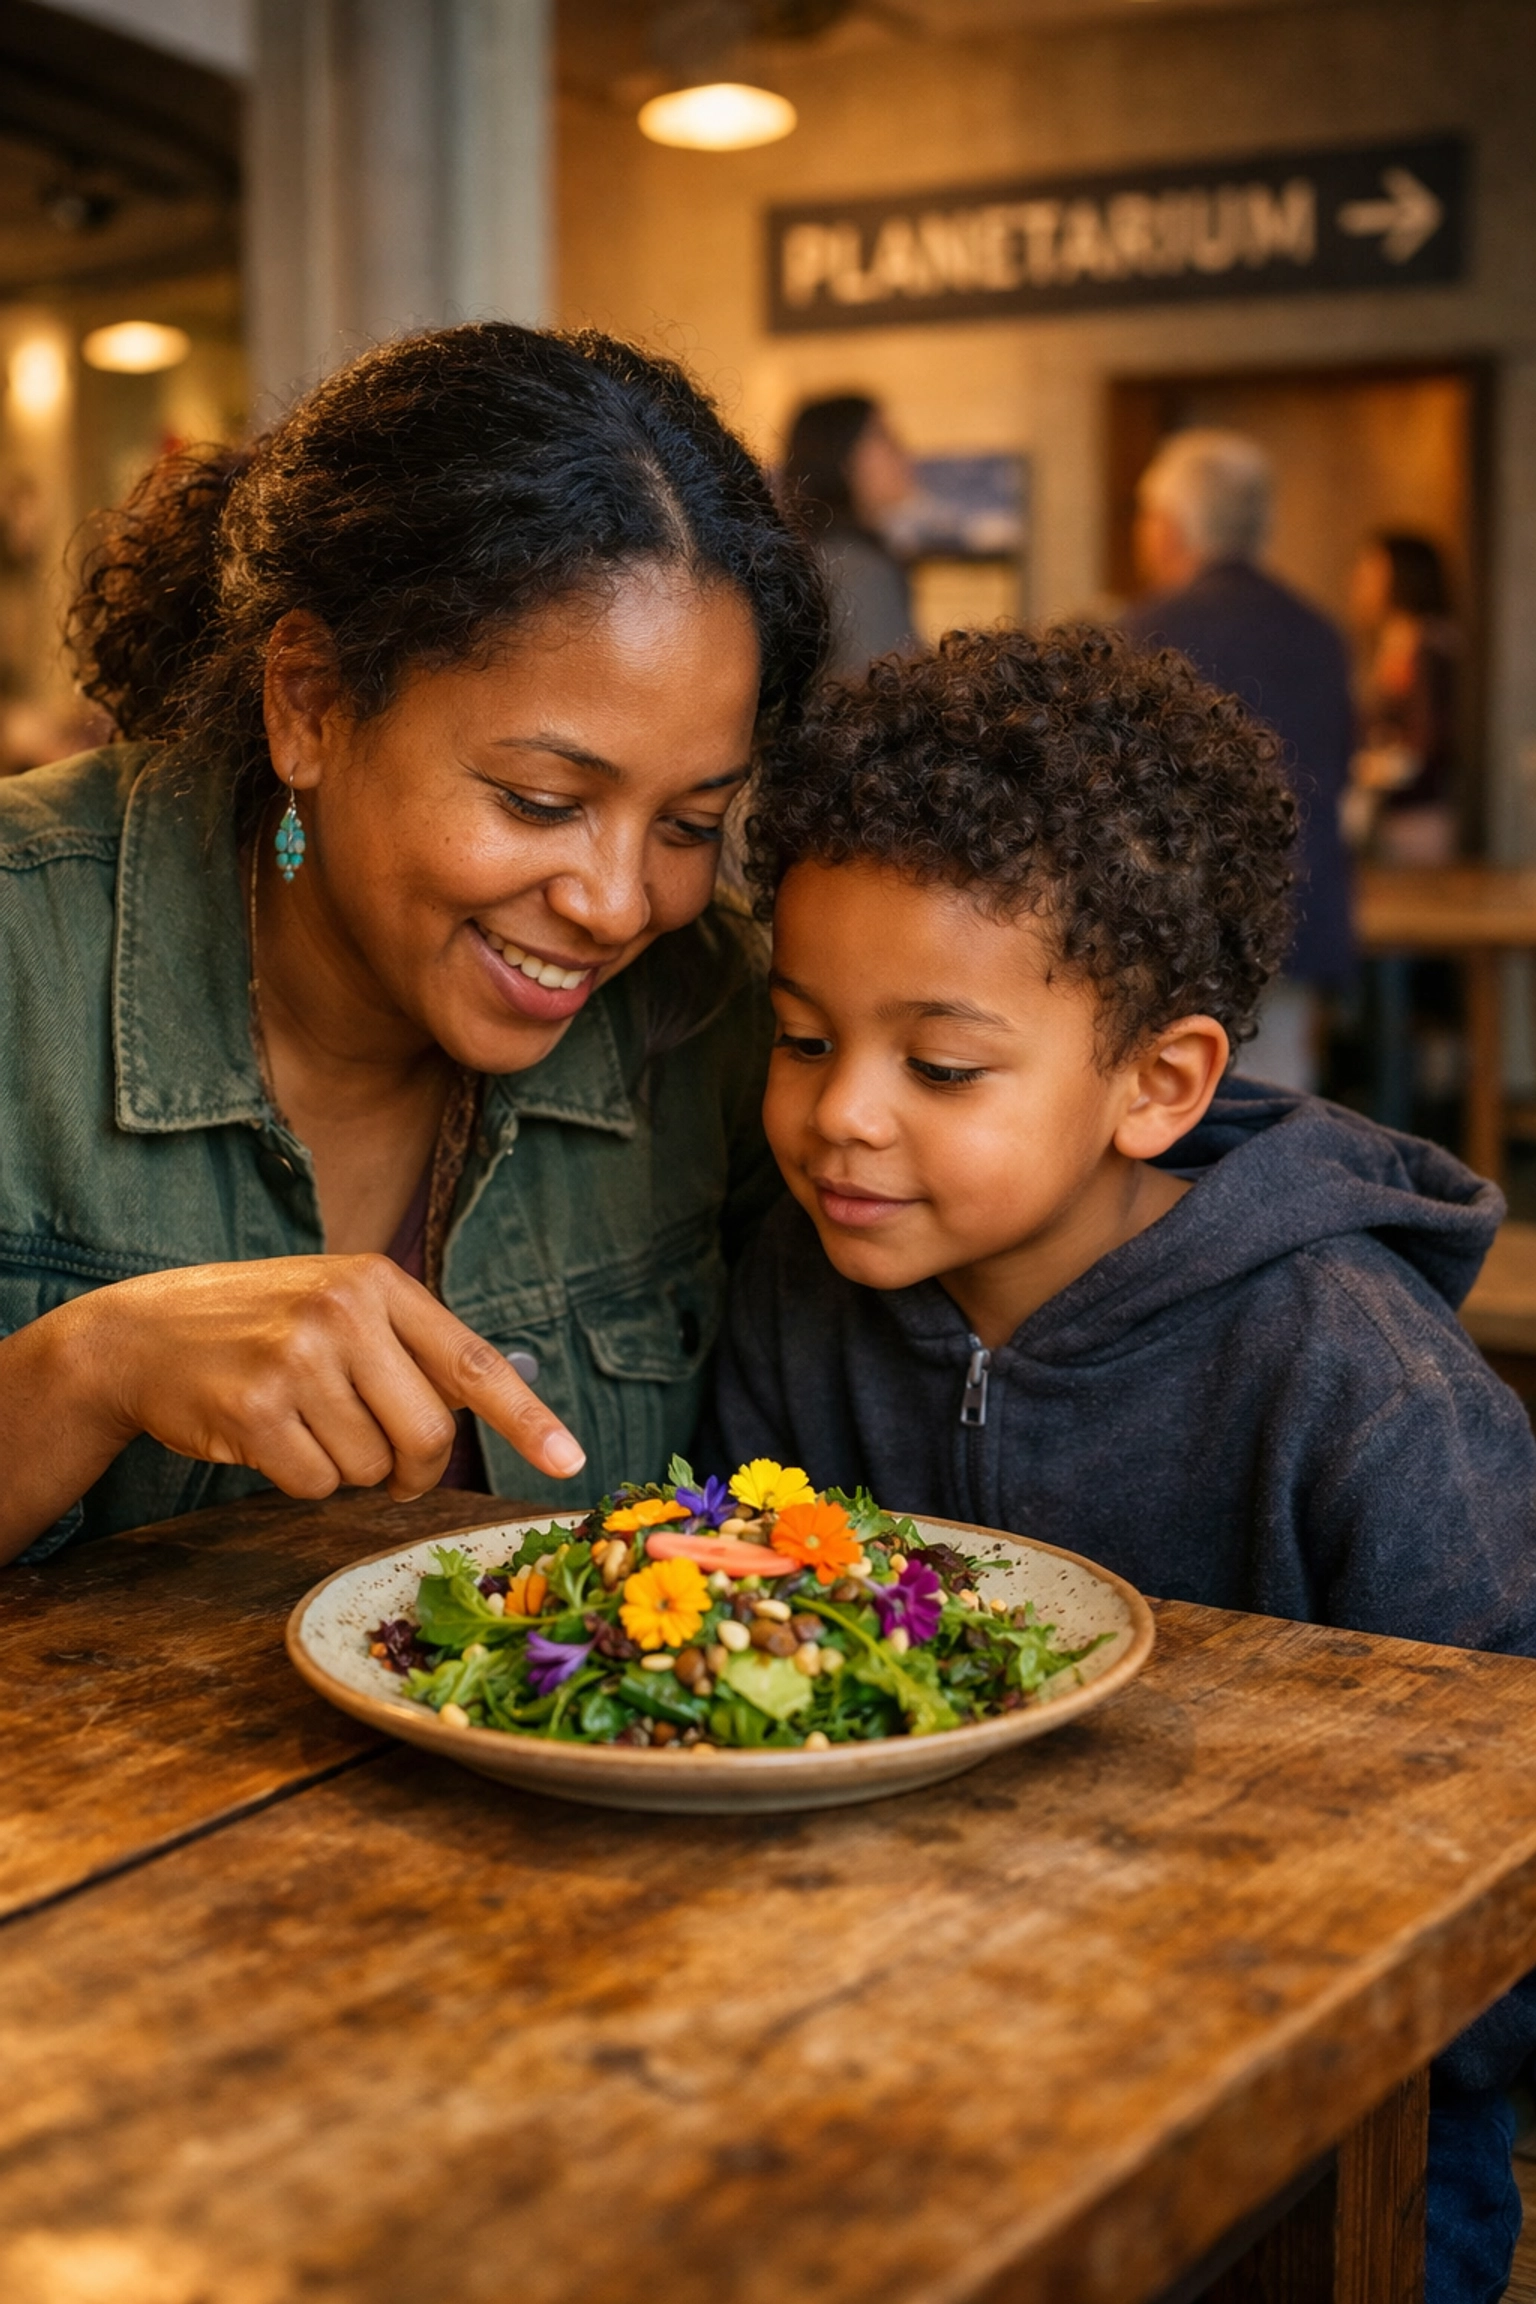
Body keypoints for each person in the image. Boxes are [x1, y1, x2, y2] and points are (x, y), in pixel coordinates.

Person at [710, 625, 1536, 2304]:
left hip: (1331, 2139)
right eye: (803, 1036)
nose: (843, 1114)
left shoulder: (1353, 1377)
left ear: (1158, 1083)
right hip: (885, 2065)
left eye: (939, 1065)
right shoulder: (795, 1302)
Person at [0, 322, 827, 1567]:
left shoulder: (712, 1016)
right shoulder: (24, 948)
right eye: (540, 803)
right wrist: (86, 1371)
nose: (615, 904)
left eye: (691, 821)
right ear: (312, 706)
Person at [1121, 428, 1355, 1095]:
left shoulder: (1148, 631)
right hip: (1297, 914)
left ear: (1171, 528)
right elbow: (1340, 768)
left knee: (1177, 1113)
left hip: (1178, 926)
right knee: (1272, 1108)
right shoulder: (1318, 631)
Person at [782, 394, 917, 677]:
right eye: (885, 437)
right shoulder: (857, 567)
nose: (904, 451)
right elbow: (884, 695)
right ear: (841, 457)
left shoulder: (816, 553)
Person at [1349, 529, 1461, 867]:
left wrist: (1373, 766)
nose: (1359, 581)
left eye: (1372, 571)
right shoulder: (1393, 643)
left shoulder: (1429, 643)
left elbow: (1424, 740)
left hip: (1418, 813)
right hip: (1394, 810)